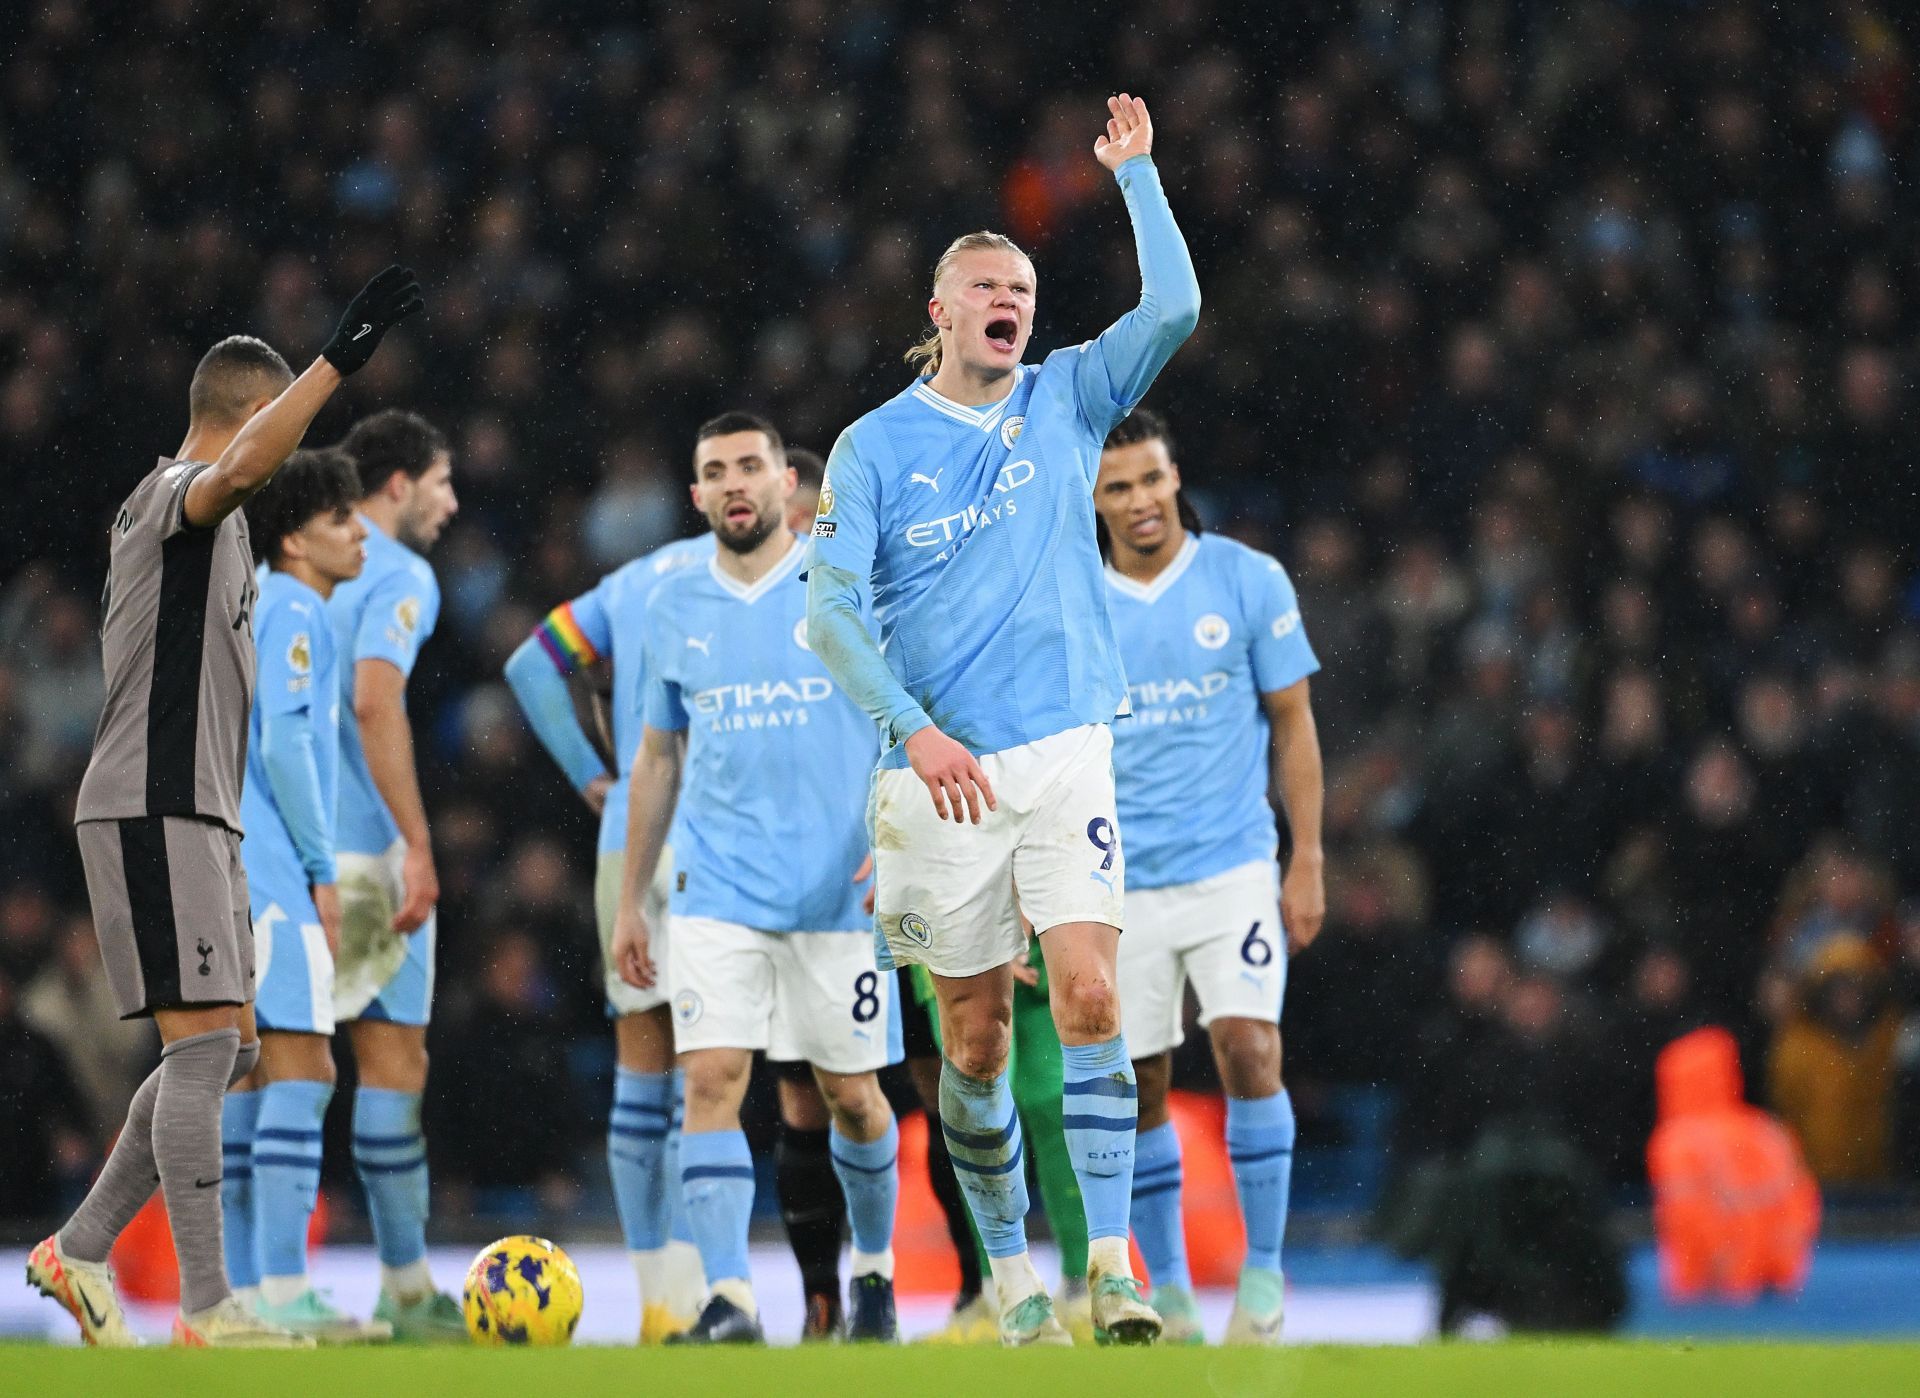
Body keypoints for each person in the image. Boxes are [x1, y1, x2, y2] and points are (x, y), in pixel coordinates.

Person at [805, 92, 1199, 1346]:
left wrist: (1136, 179)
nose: (1007, 299)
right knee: (970, 1045)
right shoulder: (872, 449)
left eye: (1021, 284)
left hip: (1071, 749)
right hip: (938, 777)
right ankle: (1011, 1272)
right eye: (984, 283)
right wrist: (910, 729)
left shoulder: (1070, 398)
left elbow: (1178, 309)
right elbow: (828, 617)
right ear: (940, 310)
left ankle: (1116, 1272)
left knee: (1093, 1000)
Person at [28, 265, 421, 1348]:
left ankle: (82, 1248)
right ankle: (211, 1308)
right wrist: (338, 363)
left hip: (195, 810)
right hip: (155, 803)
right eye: (279, 423)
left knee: (231, 1047)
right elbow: (236, 467)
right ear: (255, 416)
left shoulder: (223, 530)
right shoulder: (176, 497)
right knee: (206, 1052)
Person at [613, 413, 902, 1345]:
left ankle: (875, 1275)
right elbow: (658, 758)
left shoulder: (847, 586)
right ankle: (730, 1299)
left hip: (837, 895)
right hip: (717, 890)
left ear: (786, 484)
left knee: (854, 1098)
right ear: (696, 496)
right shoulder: (673, 607)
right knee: (712, 1081)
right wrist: (631, 898)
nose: (735, 483)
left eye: (751, 466)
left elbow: (913, 718)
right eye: (715, 471)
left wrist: (901, 843)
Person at [1094, 408, 1324, 1345]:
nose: (1141, 501)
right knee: (1142, 1082)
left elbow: (1295, 721)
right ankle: (1176, 1292)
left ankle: (1264, 1277)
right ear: (1094, 501)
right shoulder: (1078, 603)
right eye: (1118, 487)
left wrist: (1304, 857)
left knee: (1248, 1050)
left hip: (1233, 866)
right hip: (1122, 882)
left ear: (1174, 476)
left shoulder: (1246, 578)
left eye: (1151, 479)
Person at [503, 510, 712, 1343]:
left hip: (628, 833)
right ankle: (707, 1291)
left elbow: (529, 665)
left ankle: (660, 1298)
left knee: (642, 1064)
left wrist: (595, 776)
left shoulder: (634, 579)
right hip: (710, 828)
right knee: (711, 1070)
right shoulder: (770, 573)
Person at [221, 448, 391, 1340]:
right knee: (306, 1066)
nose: (359, 532)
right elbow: (288, 747)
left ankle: (238, 1292)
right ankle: (281, 1289)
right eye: (340, 521)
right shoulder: (294, 610)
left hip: (231, 858)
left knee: (247, 1074)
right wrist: (325, 868)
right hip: (274, 868)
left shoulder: (254, 600)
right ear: (293, 538)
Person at [328, 407, 462, 1339]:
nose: (452, 503)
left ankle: (242, 1291)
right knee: (389, 1058)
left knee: (269, 1070)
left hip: (269, 844)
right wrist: (417, 841)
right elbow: (374, 698)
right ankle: (407, 1289)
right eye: (443, 483)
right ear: (398, 484)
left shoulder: (286, 568)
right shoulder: (399, 572)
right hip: (364, 851)